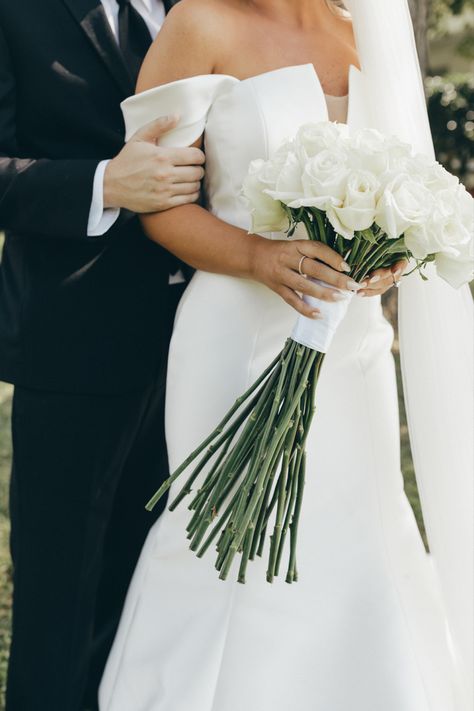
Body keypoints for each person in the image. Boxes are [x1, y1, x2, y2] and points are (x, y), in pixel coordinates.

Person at [100, 0, 470, 709]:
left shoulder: (369, 37)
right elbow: (158, 206)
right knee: (224, 538)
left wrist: (390, 257)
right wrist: (257, 256)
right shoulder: (199, 25)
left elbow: (408, 186)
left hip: (355, 347)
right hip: (232, 334)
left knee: (360, 528)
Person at [0, 1, 206, 709]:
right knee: (60, 607)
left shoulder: (204, 8)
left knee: (152, 594)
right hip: (73, 350)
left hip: (201, 348)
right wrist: (104, 184)